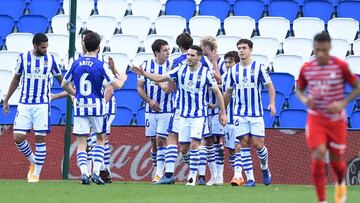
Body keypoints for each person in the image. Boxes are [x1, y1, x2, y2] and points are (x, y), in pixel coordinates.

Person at [132, 45, 227, 186]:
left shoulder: (206, 73)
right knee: (183, 148)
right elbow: (161, 77)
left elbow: (217, 92)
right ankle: (197, 172)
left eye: (192, 55)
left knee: (195, 143)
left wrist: (223, 112)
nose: (188, 57)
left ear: (199, 57)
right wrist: (144, 73)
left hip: (199, 115)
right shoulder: (180, 69)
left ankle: (192, 178)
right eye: (188, 55)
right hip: (182, 115)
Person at [296, 32, 360, 203]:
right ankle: (322, 200)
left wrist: (343, 103)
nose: (321, 54)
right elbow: (299, 89)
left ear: (330, 47)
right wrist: (305, 99)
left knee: (336, 160)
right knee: (318, 153)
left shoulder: (340, 66)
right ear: (314, 49)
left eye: (324, 50)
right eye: (317, 50)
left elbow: (356, 87)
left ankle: (340, 181)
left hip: (336, 120)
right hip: (316, 118)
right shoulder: (307, 68)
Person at [62, 31, 127, 185]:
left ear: (84, 45)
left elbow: (64, 84)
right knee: (100, 139)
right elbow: (115, 85)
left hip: (80, 107)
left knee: (82, 142)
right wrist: (122, 79)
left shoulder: (75, 63)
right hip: (97, 107)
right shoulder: (101, 64)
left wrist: (76, 94)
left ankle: (84, 173)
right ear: (98, 47)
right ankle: (96, 173)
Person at [2, 33, 63, 183]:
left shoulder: (51, 60)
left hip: (42, 104)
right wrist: (7, 99)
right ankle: (34, 162)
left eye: (47, 47)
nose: (45, 50)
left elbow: (62, 81)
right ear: (35, 46)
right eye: (43, 47)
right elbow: (16, 79)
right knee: (18, 138)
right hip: (25, 103)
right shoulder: (23, 58)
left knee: (40, 138)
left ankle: (36, 174)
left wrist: (73, 93)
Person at [223, 39, 276, 187]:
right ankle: (250, 178)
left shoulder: (259, 67)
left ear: (250, 50)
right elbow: (228, 92)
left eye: (244, 48)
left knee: (259, 145)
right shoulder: (233, 70)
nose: (241, 50)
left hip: (256, 114)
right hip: (240, 114)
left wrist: (272, 103)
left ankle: (265, 168)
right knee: (244, 143)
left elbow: (270, 87)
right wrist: (222, 110)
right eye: (239, 48)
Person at [156, 32, 193, 185]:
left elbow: (170, 88)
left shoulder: (177, 62)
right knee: (198, 142)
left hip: (180, 107)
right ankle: (200, 175)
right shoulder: (201, 60)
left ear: (179, 46)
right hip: (200, 109)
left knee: (172, 137)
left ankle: (169, 174)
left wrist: (159, 83)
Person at [137, 39, 173, 183]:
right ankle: (158, 168)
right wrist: (149, 101)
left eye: (168, 50)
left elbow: (171, 90)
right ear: (157, 52)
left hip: (167, 110)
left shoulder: (172, 66)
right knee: (153, 142)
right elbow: (139, 87)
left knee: (161, 140)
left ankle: (159, 174)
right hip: (150, 111)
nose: (168, 53)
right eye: (165, 50)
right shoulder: (145, 65)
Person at [199, 36, 224, 185]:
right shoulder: (202, 62)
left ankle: (220, 175)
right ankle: (213, 175)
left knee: (217, 141)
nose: (201, 50)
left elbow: (221, 81)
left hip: (217, 109)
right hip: (205, 109)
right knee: (208, 141)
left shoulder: (221, 62)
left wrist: (214, 63)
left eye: (203, 48)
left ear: (210, 49)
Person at [220, 51, 244, 186]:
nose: (228, 65)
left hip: (239, 116)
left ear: (236, 63)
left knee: (237, 145)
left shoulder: (241, 76)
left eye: (230, 62)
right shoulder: (224, 77)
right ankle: (238, 173)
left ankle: (237, 175)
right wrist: (217, 106)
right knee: (231, 149)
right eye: (226, 62)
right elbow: (223, 96)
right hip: (227, 118)